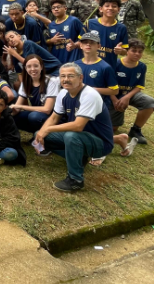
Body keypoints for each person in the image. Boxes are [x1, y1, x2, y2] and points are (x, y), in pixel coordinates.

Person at [35, 63, 120, 192]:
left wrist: (48, 129)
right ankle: (79, 157)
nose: (66, 79)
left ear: (80, 78)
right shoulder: (63, 93)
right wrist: (41, 133)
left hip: (100, 143)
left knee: (71, 136)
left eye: (70, 76)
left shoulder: (89, 95)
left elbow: (78, 126)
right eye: (62, 76)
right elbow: (54, 118)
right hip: (80, 138)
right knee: (40, 135)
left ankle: (76, 180)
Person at [115, 38, 154, 151]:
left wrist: (127, 97)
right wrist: (114, 100)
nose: (137, 54)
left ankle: (136, 129)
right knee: (114, 128)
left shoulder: (142, 66)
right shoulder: (116, 64)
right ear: (126, 51)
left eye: (140, 51)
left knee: (149, 102)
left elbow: (139, 86)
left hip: (130, 95)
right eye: (133, 50)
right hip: (114, 97)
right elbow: (107, 85)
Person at [11, 55, 60, 133]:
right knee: (14, 117)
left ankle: (45, 134)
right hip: (38, 113)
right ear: (25, 68)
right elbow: (16, 108)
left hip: (53, 116)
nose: (33, 69)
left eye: (36, 66)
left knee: (34, 116)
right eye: (29, 66)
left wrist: (21, 106)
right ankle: (36, 134)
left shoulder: (51, 81)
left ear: (41, 67)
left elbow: (47, 109)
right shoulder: (25, 83)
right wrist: (5, 114)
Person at [46, 0, 83, 64]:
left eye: (58, 7)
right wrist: (51, 40)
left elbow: (85, 37)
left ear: (65, 8)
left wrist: (75, 45)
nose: (56, 9)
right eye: (53, 8)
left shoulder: (74, 21)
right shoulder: (51, 25)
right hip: (58, 59)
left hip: (73, 59)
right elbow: (45, 42)